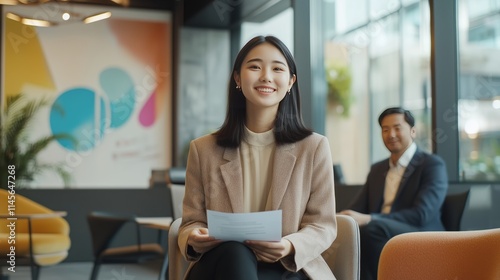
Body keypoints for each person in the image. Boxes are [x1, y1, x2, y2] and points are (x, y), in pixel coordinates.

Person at [177, 35, 337, 280]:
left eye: (277, 68)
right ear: (238, 78)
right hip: (222, 265)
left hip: (286, 266)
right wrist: (195, 235)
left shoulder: (314, 147)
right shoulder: (203, 149)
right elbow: (191, 222)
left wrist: (288, 245)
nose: (266, 76)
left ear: (291, 81)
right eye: (254, 66)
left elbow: (322, 225)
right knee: (234, 252)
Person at [340, 107, 448, 280]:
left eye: (397, 128)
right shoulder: (378, 169)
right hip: (380, 231)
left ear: (413, 131)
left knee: (372, 229)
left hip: (421, 233)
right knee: (345, 229)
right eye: (385, 129)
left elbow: (421, 215)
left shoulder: (431, 165)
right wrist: (341, 219)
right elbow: (357, 208)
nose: (391, 134)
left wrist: (371, 219)